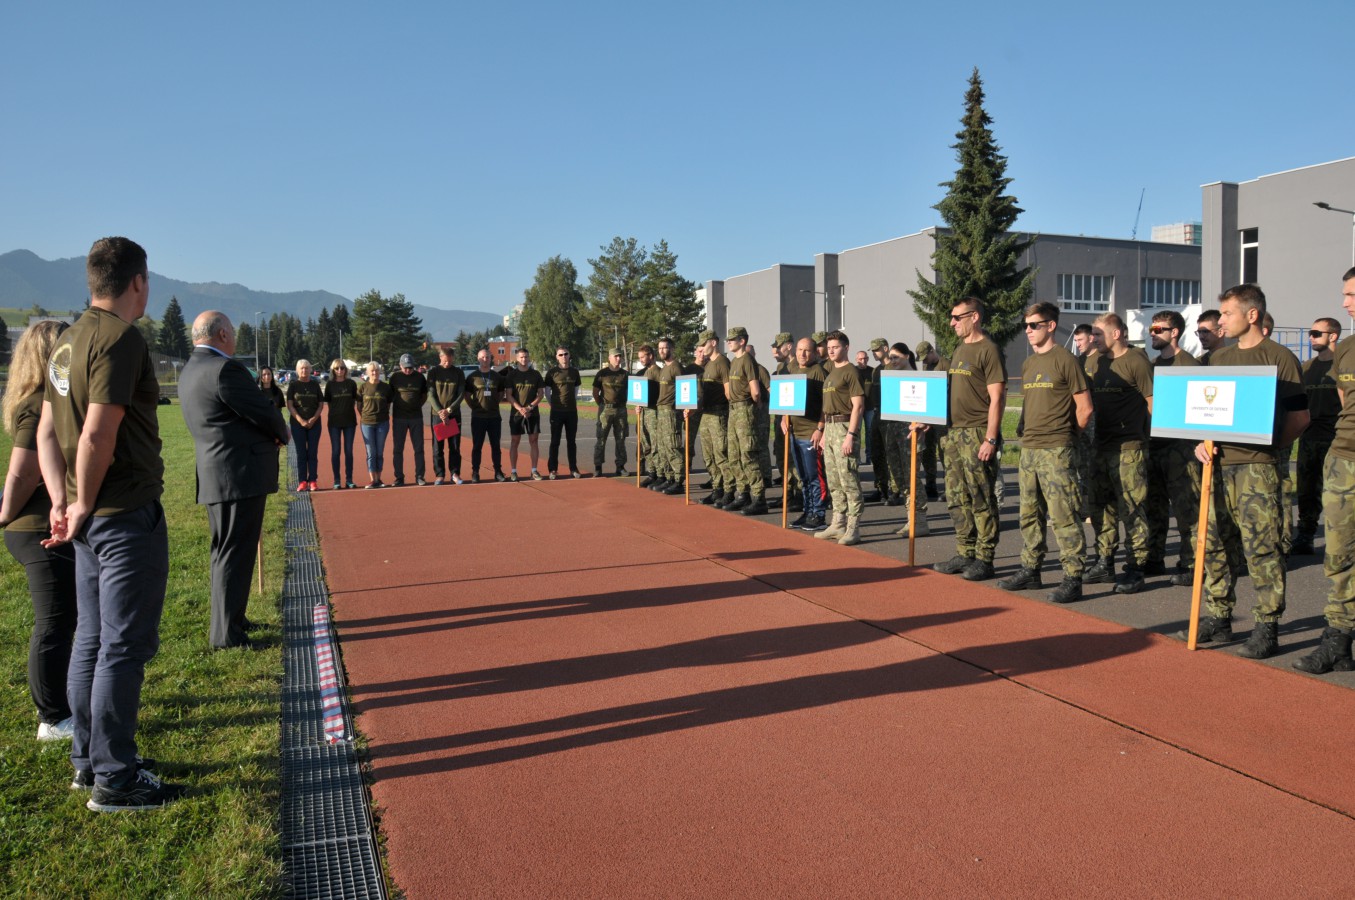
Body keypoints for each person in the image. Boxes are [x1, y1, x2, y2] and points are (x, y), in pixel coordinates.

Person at [37, 236, 183, 810]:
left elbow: (47, 430)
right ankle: (115, 776)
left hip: (89, 515)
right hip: (122, 513)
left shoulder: (66, 340)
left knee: (92, 639)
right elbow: (97, 433)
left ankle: (90, 760)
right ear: (138, 282)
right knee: (122, 645)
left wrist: (63, 499)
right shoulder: (121, 338)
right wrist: (79, 502)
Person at [1186, 284, 1309, 659]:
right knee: (1216, 544)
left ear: (1251, 314)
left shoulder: (1279, 357)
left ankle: (1267, 626)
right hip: (1217, 467)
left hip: (1257, 468)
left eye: (1227, 313)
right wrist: (1200, 442)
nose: (1221, 320)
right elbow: (1204, 414)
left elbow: (1300, 417)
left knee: (1262, 548)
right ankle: (1219, 616)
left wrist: (1268, 447)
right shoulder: (1218, 359)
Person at [179, 311, 289, 649]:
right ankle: (227, 634)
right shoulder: (224, 369)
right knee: (233, 555)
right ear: (223, 334)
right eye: (233, 332)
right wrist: (281, 432)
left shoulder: (191, 369)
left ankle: (233, 620)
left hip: (220, 474)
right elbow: (263, 411)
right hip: (237, 475)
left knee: (227, 553)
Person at [1, 320, 77, 742]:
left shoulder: (46, 401)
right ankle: (52, 717)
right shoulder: (37, 405)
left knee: (65, 619)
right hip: (37, 528)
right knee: (54, 622)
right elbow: (21, 474)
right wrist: (4, 515)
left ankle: (61, 703)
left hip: (44, 526)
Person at [997, 303, 1091, 602]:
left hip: (1057, 449)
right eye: (1025, 325)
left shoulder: (1066, 360)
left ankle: (1073, 577)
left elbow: (1085, 408)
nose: (1028, 330)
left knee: (1064, 515)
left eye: (1034, 325)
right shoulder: (1028, 364)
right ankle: (1031, 569)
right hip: (1030, 449)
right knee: (1029, 513)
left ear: (1051, 326)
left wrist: (1067, 438)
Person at [1295, 267, 1355, 673]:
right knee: (1340, 553)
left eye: (1351, 294)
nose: (1345, 302)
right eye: (1344, 294)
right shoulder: (1347, 349)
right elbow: (1344, 400)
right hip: (1344, 456)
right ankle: (1338, 641)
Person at [933, 297, 1006, 581]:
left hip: (977, 432)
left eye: (957, 317)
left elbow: (997, 398)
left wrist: (990, 439)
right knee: (956, 496)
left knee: (981, 496)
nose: (952, 322)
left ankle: (985, 558)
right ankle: (965, 551)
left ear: (974, 317)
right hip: (953, 433)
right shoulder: (960, 349)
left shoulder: (989, 350)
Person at [1082, 312, 1155, 594]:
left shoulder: (1137, 360)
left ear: (1116, 334)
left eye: (1098, 334)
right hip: (1100, 445)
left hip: (1129, 447)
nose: (1093, 339)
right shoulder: (1094, 362)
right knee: (1101, 507)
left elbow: (1152, 402)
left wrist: (1149, 439)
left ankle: (1135, 568)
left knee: (1132, 509)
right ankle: (1104, 560)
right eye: (1092, 334)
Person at [1144, 310, 1201, 586]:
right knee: (1154, 507)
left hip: (1182, 447)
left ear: (1174, 332)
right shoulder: (1152, 365)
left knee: (1186, 508)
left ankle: (1190, 563)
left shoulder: (1190, 364)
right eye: (1151, 329)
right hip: (1154, 444)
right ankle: (1154, 558)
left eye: (1158, 329)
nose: (1152, 334)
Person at [1292, 317, 1343, 555]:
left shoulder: (1342, 365)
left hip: (1336, 438)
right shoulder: (1307, 368)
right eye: (1310, 333)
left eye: (1316, 333)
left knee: (1337, 492)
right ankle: (1305, 534)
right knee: (1306, 489)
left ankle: (1339, 540)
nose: (1311, 337)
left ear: (1333, 336)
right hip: (1309, 436)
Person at [814, 331, 866, 545]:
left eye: (835, 347)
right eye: (829, 348)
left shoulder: (851, 372)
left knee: (849, 479)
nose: (831, 351)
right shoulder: (831, 373)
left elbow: (858, 406)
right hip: (831, 428)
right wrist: (824, 432)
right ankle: (838, 523)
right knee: (834, 480)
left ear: (846, 347)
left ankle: (853, 527)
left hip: (845, 427)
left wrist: (851, 435)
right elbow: (827, 408)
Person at [881, 343, 928, 538]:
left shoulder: (918, 378)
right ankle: (910, 518)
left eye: (896, 357)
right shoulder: (891, 379)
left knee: (912, 477)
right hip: (893, 431)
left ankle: (920, 520)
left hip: (910, 433)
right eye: (891, 358)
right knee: (899, 477)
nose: (893, 361)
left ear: (907, 356)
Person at [784, 338, 828, 532]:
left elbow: (826, 405)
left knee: (814, 476)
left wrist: (820, 429)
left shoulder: (818, 372)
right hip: (795, 432)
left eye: (807, 351)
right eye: (800, 350)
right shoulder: (794, 369)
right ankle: (808, 511)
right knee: (803, 476)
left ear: (815, 352)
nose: (802, 354)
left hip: (810, 433)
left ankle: (818, 514)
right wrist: (783, 417)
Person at [722, 327, 767, 513]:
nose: (729, 342)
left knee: (748, 454)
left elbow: (755, 390)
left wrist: (755, 405)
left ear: (742, 341)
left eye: (732, 339)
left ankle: (758, 497)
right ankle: (743, 493)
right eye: (728, 340)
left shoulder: (747, 359)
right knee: (734, 455)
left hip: (744, 408)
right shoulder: (734, 361)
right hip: (733, 409)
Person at [697, 330, 731, 504]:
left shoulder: (722, 362)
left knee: (721, 453)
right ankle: (717, 488)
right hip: (707, 412)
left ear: (714, 343)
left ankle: (729, 489)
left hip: (719, 413)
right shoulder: (709, 364)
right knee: (708, 454)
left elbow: (729, 391)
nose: (702, 348)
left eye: (704, 344)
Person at [649, 338, 687, 494]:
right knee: (663, 447)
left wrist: (684, 409)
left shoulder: (676, 367)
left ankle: (678, 480)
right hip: (661, 410)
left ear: (672, 349)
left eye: (665, 348)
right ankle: (669, 477)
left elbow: (685, 389)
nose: (662, 351)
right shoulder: (664, 368)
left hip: (671, 411)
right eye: (659, 348)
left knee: (673, 446)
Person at [464, 349, 507, 483]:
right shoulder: (472, 377)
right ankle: (475, 472)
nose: (485, 359)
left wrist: (495, 403)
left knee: (496, 446)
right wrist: (474, 407)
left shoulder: (497, 376)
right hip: (478, 417)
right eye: (482, 357)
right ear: (478, 358)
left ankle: (498, 471)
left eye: (487, 357)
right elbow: (467, 396)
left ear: (490, 359)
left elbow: (501, 393)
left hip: (494, 417)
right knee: (477, 446)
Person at [502, 347, 543, 481]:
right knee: (515, 441)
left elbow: (540, 394)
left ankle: (534, 470)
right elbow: (508, 395)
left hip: (533, 413)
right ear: (517, 359)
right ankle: (514, 471)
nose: (524, 359)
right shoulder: (511, 375)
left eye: (526, 357)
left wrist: (529, 407)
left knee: (534, 441)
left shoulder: (535, 374)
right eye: (521, 357)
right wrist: (521, 409)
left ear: (529, 358)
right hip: (516, 414)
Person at [427, 347, 466, 485]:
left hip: (453, 415)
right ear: (440, 357)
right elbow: (430, 394)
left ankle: (455, 473)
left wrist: (449, 410)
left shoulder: (458, 372)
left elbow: (461, 394)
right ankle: (440, 475)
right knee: (438, 448)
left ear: (453, 358)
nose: (447, 363)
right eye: (445, 361)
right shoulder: (433, 372)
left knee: (454, 446)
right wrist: (440, 411)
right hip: (437, 415)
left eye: (450, 361)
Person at [388, 353, 429, 486]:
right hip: (399, 418)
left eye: (410, 367)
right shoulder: (395, 378)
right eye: (405, 367)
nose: (407, 370)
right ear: (400, 366)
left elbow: (424, 395)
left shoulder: (420, 377)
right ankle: (399, 477)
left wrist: (416, 405)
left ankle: (420, 476)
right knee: (398, 449)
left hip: (416, 417)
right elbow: (390, 396)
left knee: (419, 448)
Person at [915, 340, 948, 501]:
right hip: (930, 415)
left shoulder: (945, 364)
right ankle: (931, 484)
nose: (924, 361)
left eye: (925, 357)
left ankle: (950, 488)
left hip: (943, 415)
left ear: (932, 351)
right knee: (928, 451)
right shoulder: (927, 366)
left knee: (945, 452)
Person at [543, 346, 583, 479]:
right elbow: (547, 392)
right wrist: (553, 404)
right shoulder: (552, 372)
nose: (563, 356)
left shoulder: (574, 372)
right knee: (555, 441)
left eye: (566, 354)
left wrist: (571, 402)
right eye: (560, 355)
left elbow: (576, 389)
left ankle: (573, 468)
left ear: (569, 355)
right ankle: (553, 469)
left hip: (571, 412)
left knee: (572, 442)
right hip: (557, 412)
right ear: (557, 357)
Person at [285, 359, 323, 491]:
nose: (304, 370)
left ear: (310, 370)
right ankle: (302, 481)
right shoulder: (293, 386)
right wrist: (301, 420)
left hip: (315, 424)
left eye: (306, 368)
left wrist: (313, 419)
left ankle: (312, 480)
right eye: (301, 368)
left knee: (312, 453)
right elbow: (290, 405)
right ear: (297, 370)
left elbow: (320, 405)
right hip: (297, 424)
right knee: (301, 453)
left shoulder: (315, 385)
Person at [592, 348, 629, 476]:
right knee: (601, 439)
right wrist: (602, 406)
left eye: (620, 356)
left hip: (621, 409)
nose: (618, 359)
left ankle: (620, 466)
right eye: (615, 356)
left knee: (621, 439)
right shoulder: (602, 374)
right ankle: (598, 467)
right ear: (609, 358)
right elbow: (595, 392)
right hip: (606, 409)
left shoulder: (625, 374)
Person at [357, 362, 394, 488]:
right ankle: (373, 479)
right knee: (371, 452)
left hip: (382, 423)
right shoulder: (363, 387)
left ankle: (379, 478)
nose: (374, 373)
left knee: (379, 452)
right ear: (367, 372)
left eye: (377, 370)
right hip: (367, 423)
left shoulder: (385, 387)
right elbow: (359, 406)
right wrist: (365, 416)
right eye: (372, 371)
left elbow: (388, 404)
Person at [323, 359, 358, 489]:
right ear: (333, 370)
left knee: (348, 451)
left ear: (345, 369)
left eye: (342, 368)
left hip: (349, 422)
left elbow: (354, 400)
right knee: (336, 451)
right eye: (337, 368)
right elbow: (328, 402)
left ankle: (349, 479)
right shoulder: (330, 385)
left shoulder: (351, 383)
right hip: (334, 422)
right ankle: (336, 480)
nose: (340, 370)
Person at [864, 338, 891, 502]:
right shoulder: (876, 371)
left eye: (877, 350)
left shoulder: (894, 367)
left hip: (890, 415)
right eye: (872, 350)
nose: (874, 353)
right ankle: (881, 488)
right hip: (877, 412)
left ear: (885, 349)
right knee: (876, 452)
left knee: (891, 453)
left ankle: (894, 490)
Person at [636, 344, 660, 485]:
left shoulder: (657, 372)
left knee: (655, 444)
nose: (641, 360)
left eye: (642, 357)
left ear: (650, 356)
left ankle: (658, 473)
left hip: (654, 412)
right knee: (646, 443)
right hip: (644, 412)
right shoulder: (644, 372)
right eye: (639, 358)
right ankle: (652, 472)